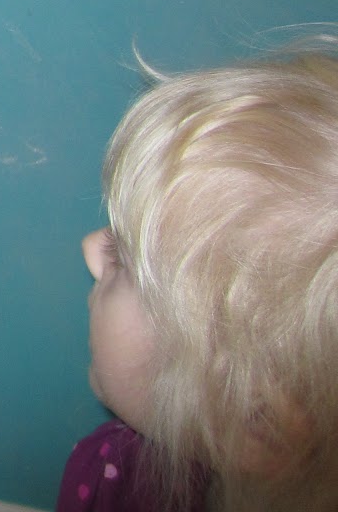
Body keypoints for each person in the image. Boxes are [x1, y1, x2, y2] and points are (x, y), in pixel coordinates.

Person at [61, 42, 338, 512]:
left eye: (123, 259)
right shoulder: (117, 464)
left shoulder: (115, 484)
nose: (91, 248)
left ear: (255, 428)